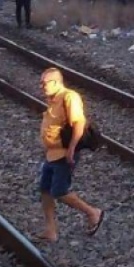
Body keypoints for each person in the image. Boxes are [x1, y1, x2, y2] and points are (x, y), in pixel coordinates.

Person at [37, 68, 104, 242]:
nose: (41, 86)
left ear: (56, 82)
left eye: (44, 83)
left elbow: (79, 123)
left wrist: (72, 149)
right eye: (41, 83)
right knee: (45, 190)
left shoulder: (69, 97)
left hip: (64, 154)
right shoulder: (52, 99)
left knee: (59, 191)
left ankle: (92, 212)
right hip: (52, 153)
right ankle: (50, 230)